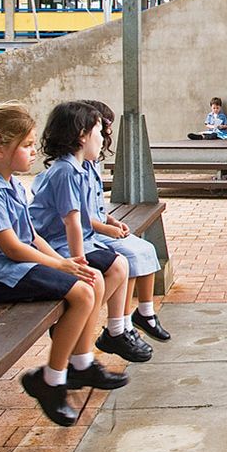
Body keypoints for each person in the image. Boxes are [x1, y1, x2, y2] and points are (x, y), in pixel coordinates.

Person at [0, 102, 126, 428]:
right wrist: (60, 267)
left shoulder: (11, 183)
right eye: (26, 145)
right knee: (84, 291)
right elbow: (13, 249)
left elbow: (30, 236)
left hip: (10, 268)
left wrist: (65, 261)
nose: (33, 151)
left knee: (92, 279)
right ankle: (51, 379)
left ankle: (80, 362)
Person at [30, 101, 153, 364]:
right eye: (99, 131)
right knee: (101, 275)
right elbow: (72, 223)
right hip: (59, 244)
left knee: (120, 264)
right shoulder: (65, 172)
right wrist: (78, 264)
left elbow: (85, 217)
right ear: (82, 135)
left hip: (77, 241)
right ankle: (80, 350)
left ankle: (107, 331)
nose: (104, 137)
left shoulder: (76, 168)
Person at [81, 100, 170, 343]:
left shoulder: (92, 164)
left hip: (95, 231)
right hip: (86, 237)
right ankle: (117, 324)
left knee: (144, 249)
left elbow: (95, 207)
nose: (107, 134)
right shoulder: (72, 170)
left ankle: (143, 312)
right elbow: (74, 217)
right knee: (125, 260)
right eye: (102, 128)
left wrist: (111, 221)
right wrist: (106, 228)